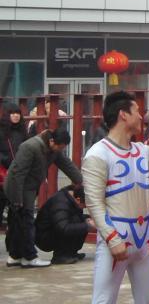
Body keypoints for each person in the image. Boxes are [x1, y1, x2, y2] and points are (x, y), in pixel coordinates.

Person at [82, 91, 149, 302]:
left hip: (145, 238)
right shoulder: (97, 154)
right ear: (123, 115)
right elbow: (94, 203)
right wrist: (111, 237)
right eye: (136, 111)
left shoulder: (143, 151)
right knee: (103, 300)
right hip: (115, 239)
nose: (141, 116)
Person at [4, 128, 82, 268]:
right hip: (18, 186)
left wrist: (80, 182)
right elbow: (17, 174)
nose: (60, 150)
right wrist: (17, 199)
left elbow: (67, 165)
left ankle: (15, 255)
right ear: (52, 141)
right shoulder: (30, 146)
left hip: (29, 186)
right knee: (26, 221)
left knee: (18, 222)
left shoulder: (54, 150)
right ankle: (29, 257)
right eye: (59, 146)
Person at [35, 185, 93, 264]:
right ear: (78, 200)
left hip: (53, 230)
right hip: (44, 237)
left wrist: (89, 220)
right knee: (81, 223)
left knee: (83, 220)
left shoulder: (70, 198)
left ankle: (71, 253)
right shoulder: (60, 202)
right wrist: (88, 225)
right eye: (84, 206)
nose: (84, 208)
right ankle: (60, 256)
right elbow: (62, 227)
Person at [0, 104, 26, 226]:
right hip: (3, 173)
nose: (16, 116)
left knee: (16, 211)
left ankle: (13, 242)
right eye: (12, 113)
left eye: (18, 113)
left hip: (18, 175)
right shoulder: (2, 131)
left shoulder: (22, 132)